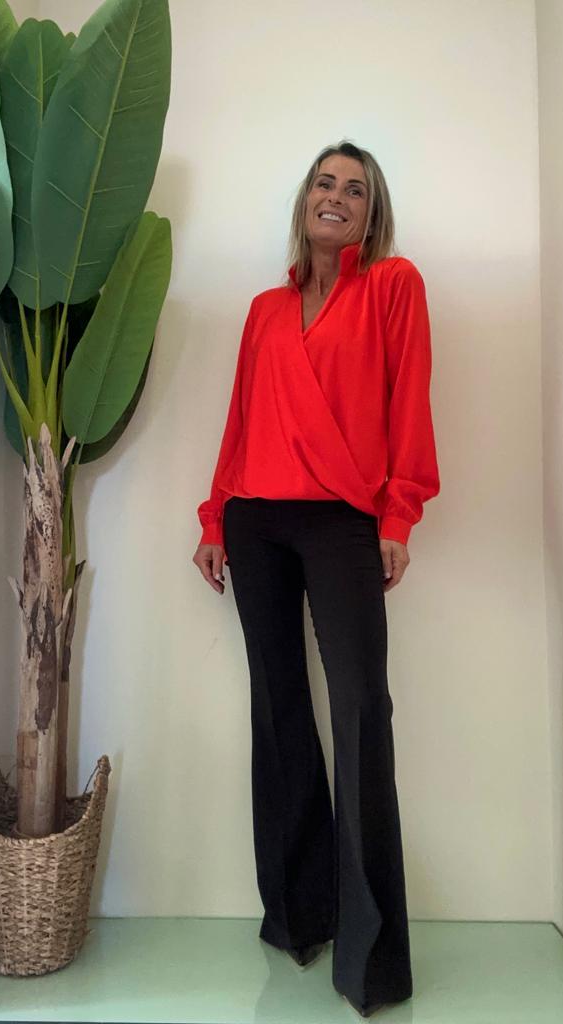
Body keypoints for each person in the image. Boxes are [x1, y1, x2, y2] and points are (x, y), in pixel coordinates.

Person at [192, 139, 440, 1018]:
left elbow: (409, 403)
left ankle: (373, 964)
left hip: (342, 521)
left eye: (355, 189)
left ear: (373, 212)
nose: (336, 196)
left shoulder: (393, 286)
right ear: (305, 199)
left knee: (362, 707)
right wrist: (215, 515)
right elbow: (241, 420)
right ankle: (299, 917)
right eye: (325, 183)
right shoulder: (266, 309)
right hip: (256, 521)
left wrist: (398, 516)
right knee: (278, 708)